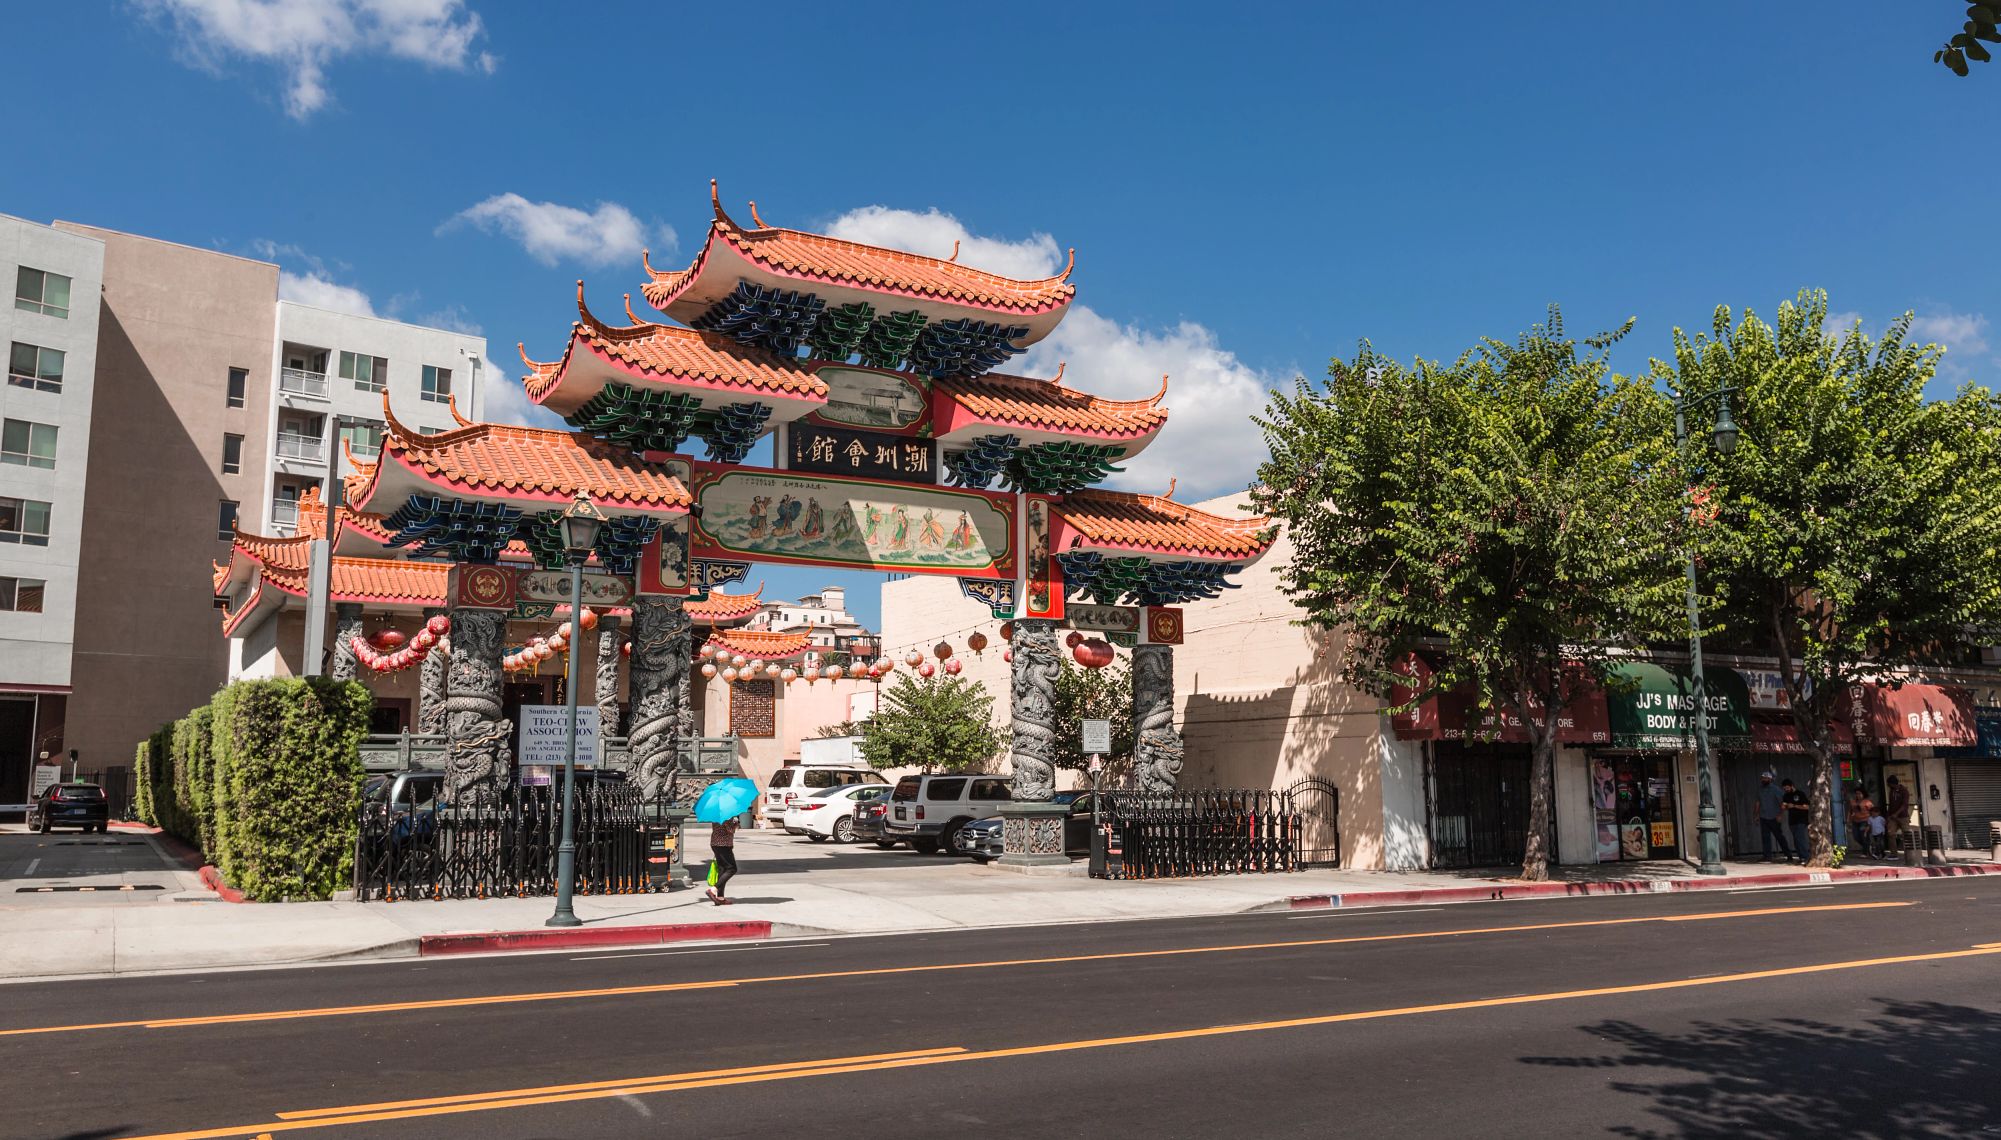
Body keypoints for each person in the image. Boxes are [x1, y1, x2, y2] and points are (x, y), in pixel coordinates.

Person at [1754, 771, 1796, 863]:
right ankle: (1767, 856)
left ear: (1770, 779)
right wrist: (1756, 815)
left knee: (1779, 837)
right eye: (1762, 778)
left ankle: (1788, 855)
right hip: (1763, 816)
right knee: (1765, 837)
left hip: (1774, 817)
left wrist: (1780, 815)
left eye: (1765, 778)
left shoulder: (1775, 789)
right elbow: (1758, 802)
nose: (1763, 780)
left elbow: (1782, 803)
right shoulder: (1760, 789)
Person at [705, 817, 739, 905]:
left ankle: (720, 897)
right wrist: (735, 824)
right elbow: (730, 830)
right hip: (723, 845)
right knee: (732, 869)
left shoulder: (715, 815)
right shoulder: (726, 816)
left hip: (715, 843)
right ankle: (713, 890)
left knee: (722, 869)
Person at [1780, 778, 1811, 862]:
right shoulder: (1786, 795)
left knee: (1800, 838)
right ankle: (1801, 857)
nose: (1786, 789)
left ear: (1791, 786)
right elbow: (1784, 806)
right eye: (1784, 788)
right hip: (1792, 821)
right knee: (1796, 840)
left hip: (1801, 820)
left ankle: (1806, 857)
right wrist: (1784, 806)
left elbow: (1807, 807)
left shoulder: (1800, 794)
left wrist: (1794, 805)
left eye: (1787, 788)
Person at [1884, 775, 1912, 858]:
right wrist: (1888, 815)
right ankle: (1893, 853)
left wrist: (1896, 813)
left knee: (1906, 834)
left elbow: (1904, 805)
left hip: (1903, 816)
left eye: (1889, 784)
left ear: (1892, 783)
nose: (1888, 785)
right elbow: (1891, 804)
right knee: (1891, 834)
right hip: (1892, 817)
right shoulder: (1891, 791)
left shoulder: (1904, 791)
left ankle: (1909, 854)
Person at [1845, 783, 1876, 858]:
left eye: (1859, 794)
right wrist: (1848, 819)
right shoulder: (1853, 802)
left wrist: (1872, 820)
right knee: (1856, 836)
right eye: (1856, 794)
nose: (1858, 795)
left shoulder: (1867, 802)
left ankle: (1865, 852)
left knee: (1864, 836)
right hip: (1855, 821)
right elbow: (1850, 811)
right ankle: (1869, 847)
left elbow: (1873, 811)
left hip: (1865, 821)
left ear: (1863, 794)